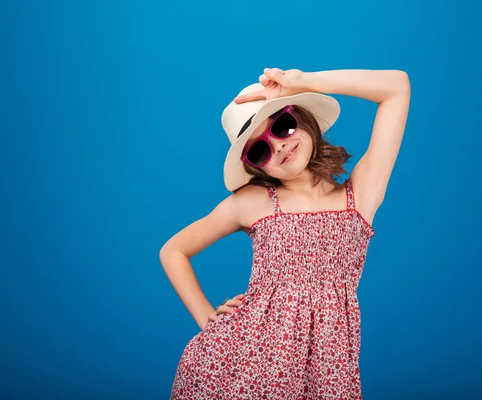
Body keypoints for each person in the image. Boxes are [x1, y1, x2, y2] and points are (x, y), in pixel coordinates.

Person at [160, 68, 411, 399]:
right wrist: (206, 317)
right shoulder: (252, 202)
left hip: (327, 371)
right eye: (259, 150)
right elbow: (173, 250)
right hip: (240, 373)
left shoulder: (360, 197)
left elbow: (396, 87)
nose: (278, 146)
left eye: (282, 125)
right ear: (255, 167)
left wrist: (302, 82)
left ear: (302, 119)